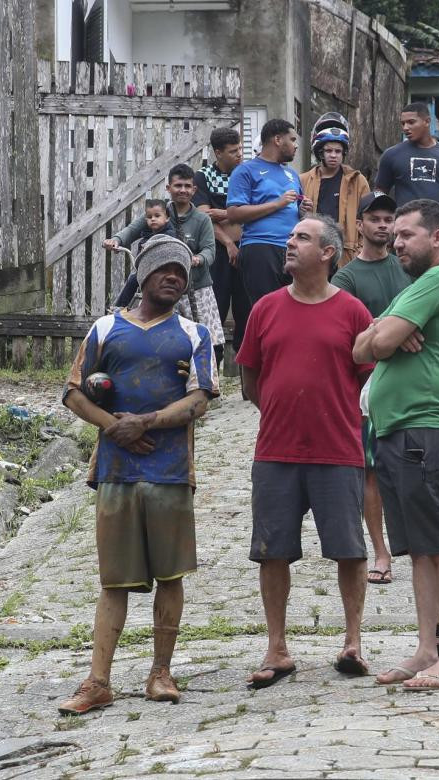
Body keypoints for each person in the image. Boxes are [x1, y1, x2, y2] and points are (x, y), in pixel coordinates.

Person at [57, 236, 217, 714]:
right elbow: (72, 392)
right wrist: (114, 427)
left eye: (181, 273)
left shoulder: (194, 333)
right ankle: (97, 680)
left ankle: (160, 673)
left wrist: (144, 422)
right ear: (143, 274)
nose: (173, 277)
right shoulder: (106, 329)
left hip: (170, 472)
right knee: (114, 580)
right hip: (116, 470)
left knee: (171, 575)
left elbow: (202, 397)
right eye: (164, 269)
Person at [237, 216, 374, 688]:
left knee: (349, 550)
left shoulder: (354, 312)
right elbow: (250, 380)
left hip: (338, 448)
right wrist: (282, 409)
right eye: (291, 236)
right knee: (271, 551)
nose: (290, 243)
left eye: (302, 238)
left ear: (328, 253)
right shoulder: (265, 309)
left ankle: (352, 641)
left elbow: (364, 375)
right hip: (275, 449)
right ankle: (277, 647)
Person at [353, 199, 439, 690]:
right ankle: (429, 648)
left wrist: (385, 333)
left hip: (426, 427)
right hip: (398, 430)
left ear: (438, 237)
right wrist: (384, 332)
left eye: (407, 235)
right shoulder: (418, 286)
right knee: (420, 549)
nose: (395, 242)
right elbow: (360, 347)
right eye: (394, 235)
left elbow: (376, 345)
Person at [332, 193, 411, 586]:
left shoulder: (408, 268)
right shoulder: (346, 278)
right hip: (367, 387)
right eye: (375, 219)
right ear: (359, 224)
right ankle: (380, 550)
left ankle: (423, 547)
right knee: (373, 471)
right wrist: (393, 328)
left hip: (412, 381)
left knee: (413, 467)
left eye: (389, 218)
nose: (383, 225)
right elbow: (345, 334)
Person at [106, 165, 224, 361]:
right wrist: (116, 240)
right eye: (178, 185)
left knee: (209, 341)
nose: (183, 190)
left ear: (194, 190)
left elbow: (210, 250)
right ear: (169, 188)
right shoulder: (158, 213)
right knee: (161, 340)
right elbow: (131, 230)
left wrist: (198, 259)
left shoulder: (202, 219)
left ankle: (207, 381)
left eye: (188, 186)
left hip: (197, 288)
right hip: (164, 288)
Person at [226, 118, 311, 351]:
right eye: (292, 139)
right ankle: (257, 376)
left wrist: (303, 211)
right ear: (277, 139)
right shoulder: (246, 171)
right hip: (260, 248)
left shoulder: (292, 175)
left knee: (295, 312)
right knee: (266, 314)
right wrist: (278, 204)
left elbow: (294, 210)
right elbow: (233, 213)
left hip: (293, 249)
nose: (295, 145)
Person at [194, 127, 247, 356]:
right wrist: (228, 242)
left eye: (240, 149)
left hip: (247, 251)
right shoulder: (204, 176)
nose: (239, 154)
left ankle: (248, 382)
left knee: (247, 313)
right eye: (233, 151)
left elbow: (254, 212)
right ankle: (210, 374)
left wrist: (226, 214)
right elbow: (204, 216)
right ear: (218, 153)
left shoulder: (247, 174)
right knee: (214, 311)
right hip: (217, 253)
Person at [301, 126, 370, 268]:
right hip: (314, 251)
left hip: (346, 254)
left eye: (338, 151)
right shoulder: (304, 180)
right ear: (320, 153)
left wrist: (361, 249)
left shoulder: (357, 180)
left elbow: (368, 216)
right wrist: (300, 209)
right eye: (329, 151)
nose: (334, 155)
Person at [375, 102, 439, 206]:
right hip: (405, 220)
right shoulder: (391, 155)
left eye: (411, 122)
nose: (405, 128)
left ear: (427, 121)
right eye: (403, 123)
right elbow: (380, 191)